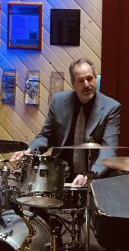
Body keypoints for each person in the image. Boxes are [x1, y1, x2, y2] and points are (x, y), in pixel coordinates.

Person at [12, 58, 121, 186]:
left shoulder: (111, 108)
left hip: (94, 174)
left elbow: (109, 150)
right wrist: (29, 152)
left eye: (89, 78)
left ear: (95, 79)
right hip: (61, 172)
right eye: (81, 80)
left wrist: (90, 175)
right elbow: (46, 136)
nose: (86, 84)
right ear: (73, 83)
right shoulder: (58, 101)